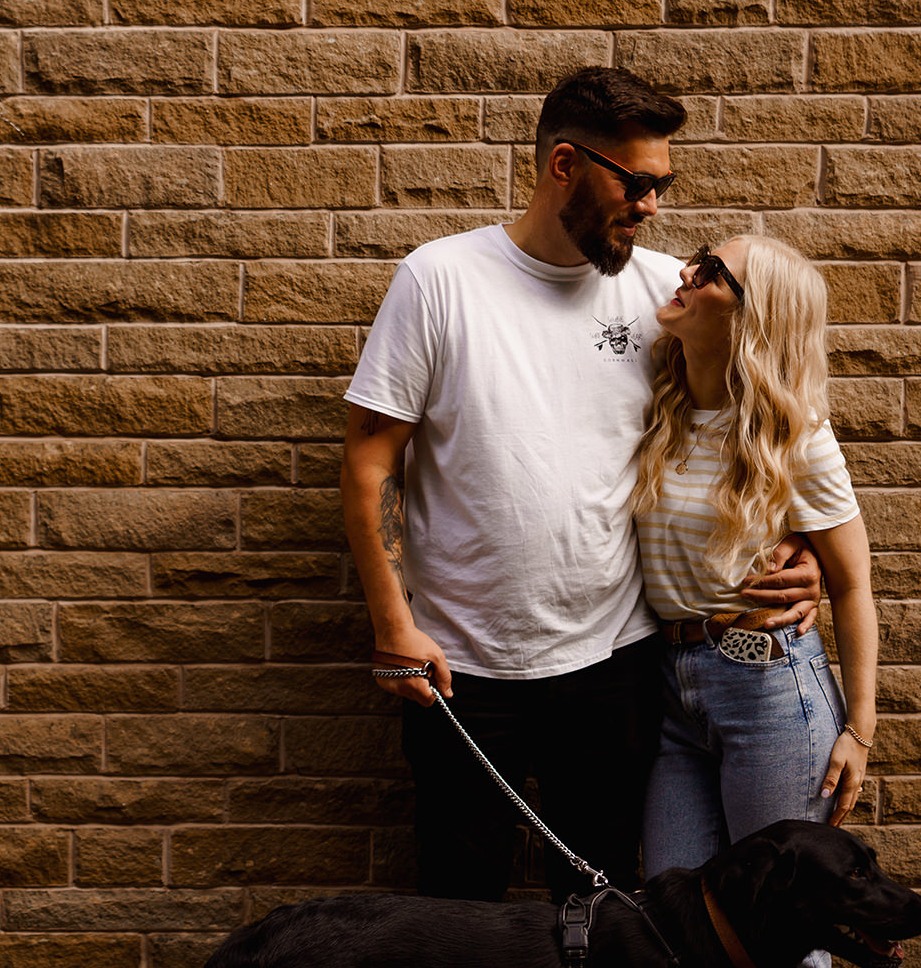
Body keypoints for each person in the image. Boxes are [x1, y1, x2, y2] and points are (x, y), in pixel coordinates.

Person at [339, 66, 822, 911]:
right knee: (458, 911)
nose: (653, 207)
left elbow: (767, 410)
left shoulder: (667, 291)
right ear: (564, 164)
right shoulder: (440, 279)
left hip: (615, 664)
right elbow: (370, 459)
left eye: (664, 186)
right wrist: (391, 627)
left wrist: (804, 546)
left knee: (600, 913)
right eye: (636, 184)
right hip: (459, 666)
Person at [633, 235, 876, 968]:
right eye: (694, 257)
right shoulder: (661, 402)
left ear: (751, 314)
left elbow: (851, 584)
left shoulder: (790, 432)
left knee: (790, 932)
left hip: (773, 690)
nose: (685, 274)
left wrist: (859, 729)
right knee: (683, 921)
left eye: (711, 272)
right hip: (672, 690)